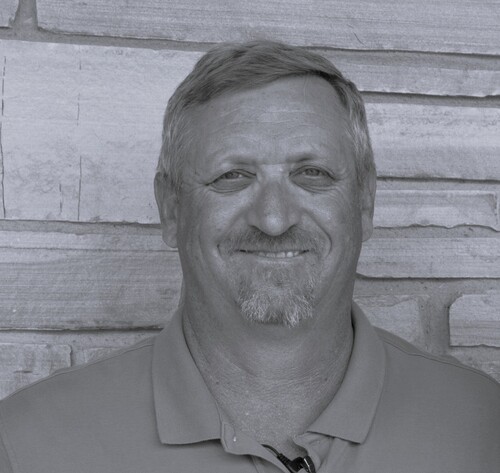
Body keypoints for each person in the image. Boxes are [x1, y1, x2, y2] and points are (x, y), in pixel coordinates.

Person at [0, 40, 498, 473]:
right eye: (232, 176)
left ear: (365, 203)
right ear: (171, 208)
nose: (274, 219)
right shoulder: (28, 445)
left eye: (312, 174)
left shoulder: (483, 429)